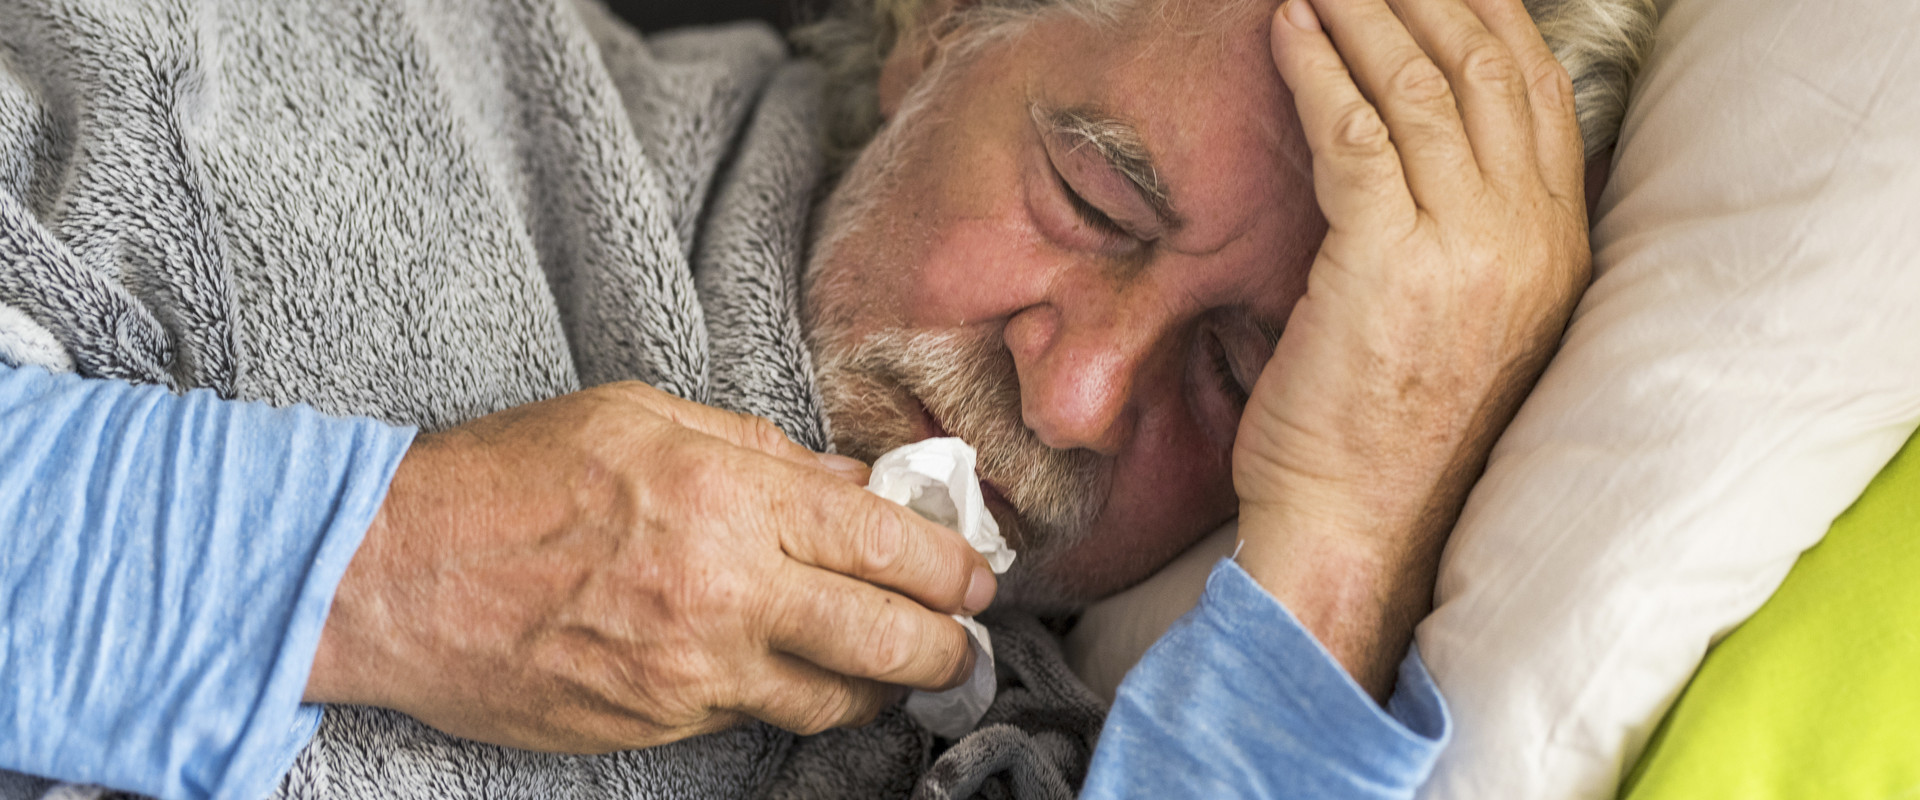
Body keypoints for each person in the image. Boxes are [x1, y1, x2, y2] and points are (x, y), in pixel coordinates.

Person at [0, 0, 1648, 795]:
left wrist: (1349, 546)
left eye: (1242, 375)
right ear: (937, 30)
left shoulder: (1043, 757)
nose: (1074, 397)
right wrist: (389, 570)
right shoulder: (263, 72)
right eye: (1092, 200)